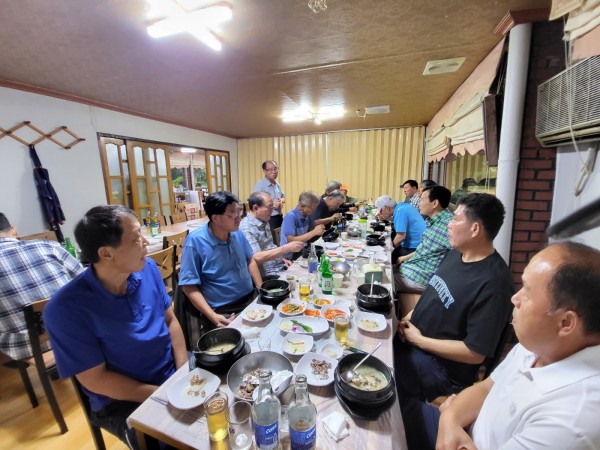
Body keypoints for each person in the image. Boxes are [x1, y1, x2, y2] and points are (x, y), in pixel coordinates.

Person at [44, 205, 187, 449]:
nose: (145, 242)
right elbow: (96, 380)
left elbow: (171, 321)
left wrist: (183, 372)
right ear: (106, 253)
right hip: (123, 400)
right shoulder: (66, 308)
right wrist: (164, 394)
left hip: (171, 373)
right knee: (177, 440)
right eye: (136, 238)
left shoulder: (147, 269)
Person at [433, 242, 600, 450]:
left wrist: (451, 419)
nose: (515, 298)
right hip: (464, 428)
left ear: (565, 323)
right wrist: (449, 418)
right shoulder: (540, 344)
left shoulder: (572, 421)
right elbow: (486, 388)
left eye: (527, 294)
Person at [395, 193, 514, 449]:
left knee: (387, 377)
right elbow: (432, 292)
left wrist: (420, 341)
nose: (449, 224)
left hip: (441, 368)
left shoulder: (494, 284)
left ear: (475, 228)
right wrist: (409, 317)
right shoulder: (454, 254)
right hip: (416, 342)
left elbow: (474, 353)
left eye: (456, 218)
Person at [0, 213, 83, 361]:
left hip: (29, 346)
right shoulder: (49, 246)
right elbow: (87, 283)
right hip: (76, 331)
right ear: (14, 230)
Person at [179, 191, 262, 331]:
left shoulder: (237, 232)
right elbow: (188, 286)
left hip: (251, 298)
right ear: (215, 218)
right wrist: (212, 315)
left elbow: (250, 260)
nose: (239, 217)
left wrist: (260, 289)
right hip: (223, 309)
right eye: (233, 213)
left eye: (239, 211)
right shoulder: (195, 242)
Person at [394, 186, 453, 314]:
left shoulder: (449, 226)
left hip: (422, 277)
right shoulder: (432, 221)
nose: (418, 203)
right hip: (413, 267)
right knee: (383, 269)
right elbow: (426, 248)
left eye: (421, 199)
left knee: (384, 281)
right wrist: (405, 257)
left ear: (435, 203)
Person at [239, 191, 304, 277]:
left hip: (280, 266)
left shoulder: (264, 220)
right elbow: (256, 258)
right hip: (269, 274)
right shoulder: (246, 227)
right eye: (270, 206)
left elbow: (270, 246)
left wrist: (283, 259)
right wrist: (285, 248)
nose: (273, 209)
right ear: (256, 208)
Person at [375, 194, 426, 261]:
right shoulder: (402, 206)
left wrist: (389, 250)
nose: (380, 214)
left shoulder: (400, 212)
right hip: (420, 244)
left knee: (385, 256)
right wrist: (386, 218)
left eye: (380, 211)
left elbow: (401, 236)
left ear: (388, 208)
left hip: (413, 248)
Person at [280, 191, 325, 259]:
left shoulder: (307, 215)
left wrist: (320, 230)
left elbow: (311, 230)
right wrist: (314, 232)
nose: (314, 211)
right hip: (291, 255)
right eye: (313, 208)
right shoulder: (291, 216)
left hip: (303, 249)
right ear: (302, 206)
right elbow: (291, 240)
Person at [253, 160, 285, 242]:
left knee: (280, 240)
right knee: (271, 242)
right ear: (264, 171)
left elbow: (283, 196)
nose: (274, 172)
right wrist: (272, 205)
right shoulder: (260, 185)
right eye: (270, 170)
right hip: (268, 219)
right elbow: (255, 204)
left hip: (279, 217)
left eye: (275, 169)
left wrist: (282, 200)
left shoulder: (277, 184)